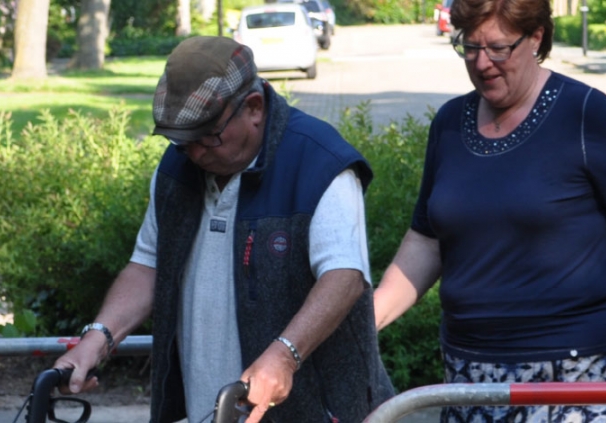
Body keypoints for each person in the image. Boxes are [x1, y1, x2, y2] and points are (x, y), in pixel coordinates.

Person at [371, 0, 606, 421]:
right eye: (469, 47)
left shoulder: (586, 114)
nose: (481, 63)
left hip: (579, 368)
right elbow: (427, 239)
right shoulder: (449, 123)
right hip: (471, 368)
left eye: (498, 49)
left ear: (536, 38)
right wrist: (368, 321)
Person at [52, 36, 395, 423]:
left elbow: (345, 277)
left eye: (208, 135)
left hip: (318, 411)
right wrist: (97, 338)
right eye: (182, 140)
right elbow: (148, 264)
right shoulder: (177, 168)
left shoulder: (320, 162)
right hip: (209, 411)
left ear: (253, 108)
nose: (195, 152)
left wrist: (285, 354)